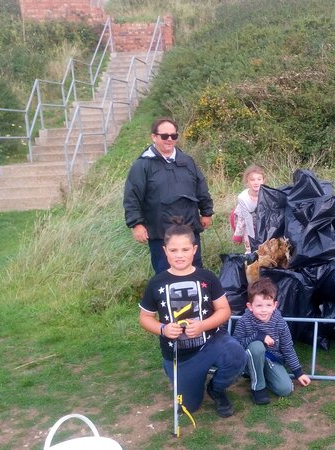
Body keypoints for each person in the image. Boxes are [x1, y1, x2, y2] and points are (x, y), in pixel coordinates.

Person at [138, 220, 247, 418]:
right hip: (180, 355)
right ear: (165, 251)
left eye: (185, 249)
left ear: (194, 249)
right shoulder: (156, 282)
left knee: (237, 355)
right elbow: (145, 318)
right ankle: (188, 379)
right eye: (174, 250)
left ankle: (217, 389)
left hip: (211, 342)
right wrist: (163, 329)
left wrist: (203, 325)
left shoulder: (207, 277)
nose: (180, 255)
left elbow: (224, 310)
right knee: (190, 406)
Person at [124, 117, 214, 273]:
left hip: (189, 227)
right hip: (160, 231)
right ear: (154, 137)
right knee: (166, 273)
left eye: (174, 136)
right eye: (165, 136)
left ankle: (196, 298)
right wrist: (136, 224)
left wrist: (206, 212)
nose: (170, 139)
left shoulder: (187, 161)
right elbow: (132, 197)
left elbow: (201, 187)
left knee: (194, 271)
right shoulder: (142, 165)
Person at [232, 277, 311, 405]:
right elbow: (236, 345)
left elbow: (287, 347)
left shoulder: (280, 323)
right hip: (249, 359)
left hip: (272, 360)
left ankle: (260, 374)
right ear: (250, 306)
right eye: (259, 305)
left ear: (275, 305)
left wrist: (298, 372)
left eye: (268, 305)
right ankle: (258, 388)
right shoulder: (244, 321)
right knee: (257, 346)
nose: (264, 310)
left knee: (285, 389)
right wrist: (258, 336)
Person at [232, 164, 265, 253]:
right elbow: (247, 219)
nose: (256, 182)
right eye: (252, 179)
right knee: (250, 246)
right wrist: (252, 239)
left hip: (261, 220)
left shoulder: (268, 195)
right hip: (247, 220)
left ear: (263, 180)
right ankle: (249, 255)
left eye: (259, 179)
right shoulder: (242, 197)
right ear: (247, 182)